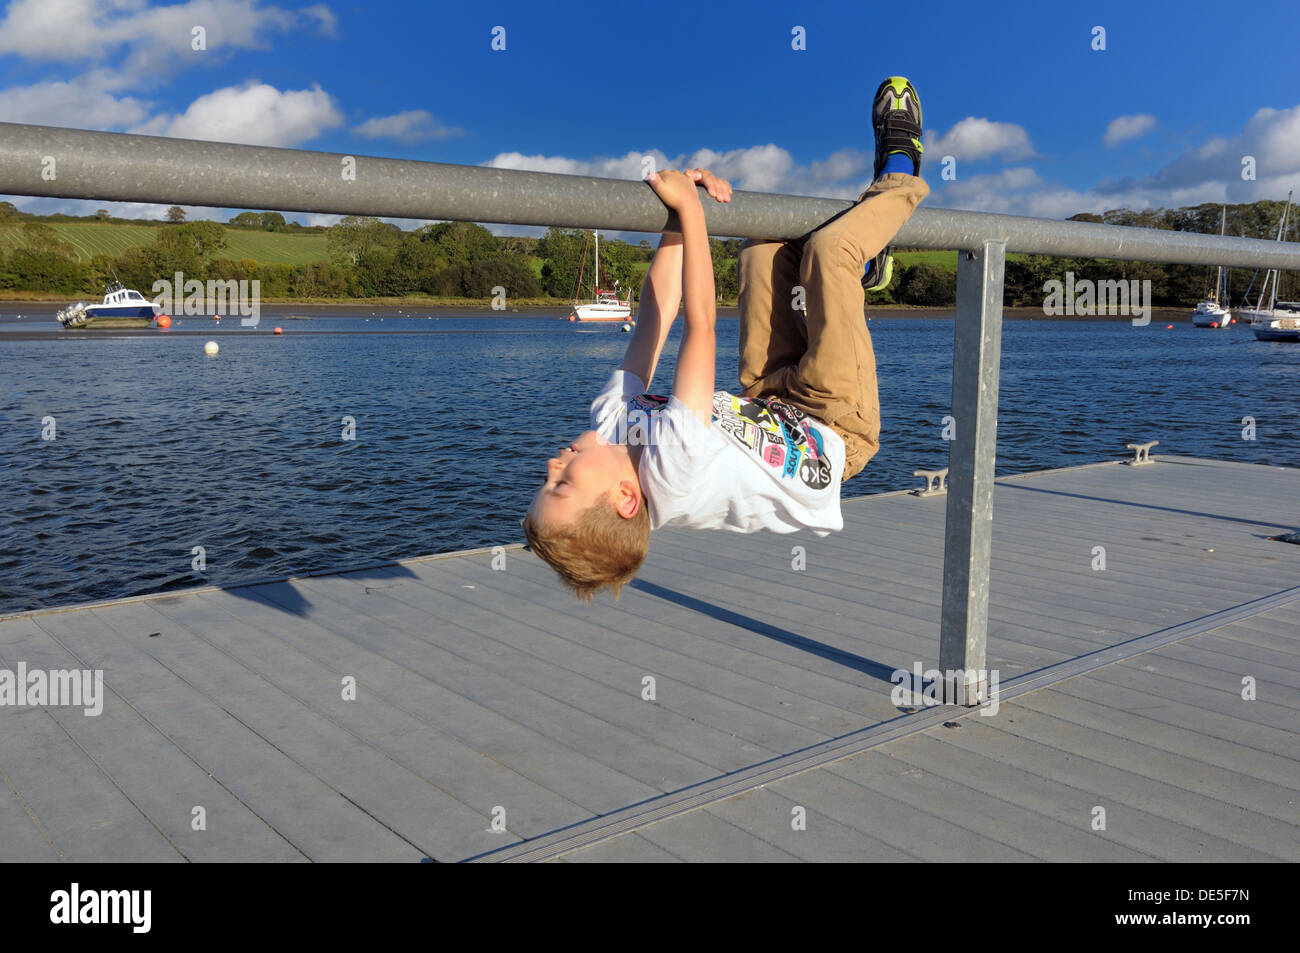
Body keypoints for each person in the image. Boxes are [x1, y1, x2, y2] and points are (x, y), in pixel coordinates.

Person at [523, 77, 930, 600]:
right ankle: (900, 166)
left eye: (548, 479)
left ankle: (867, 261)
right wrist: (694, 215)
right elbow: (701, 329)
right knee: (831, 253)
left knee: (761, 246)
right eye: (562, 483)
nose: (553, 464)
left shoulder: (609, 420)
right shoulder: (673, 474)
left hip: (767, 397)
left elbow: (655, 317)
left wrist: (675, 218)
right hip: (834, 425)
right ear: (626, 498)